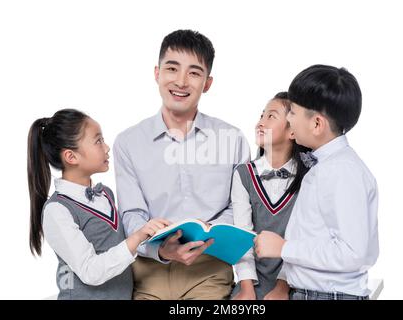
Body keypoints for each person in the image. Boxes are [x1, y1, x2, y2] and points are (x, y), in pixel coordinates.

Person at [113, 29, 251, 300]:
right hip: (148, 271)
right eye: (172, 69)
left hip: (209, 267)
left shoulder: (232, 139)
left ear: (207, 83)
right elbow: (131, 213)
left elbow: (240, 208)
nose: (181, 81)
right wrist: (161, 250)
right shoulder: (128, 142)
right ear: (157, 73)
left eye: (194, 73)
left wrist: (207, 229)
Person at [254, 65, 379, 300]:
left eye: (292, 112)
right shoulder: (322, 167)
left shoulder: (343, 172)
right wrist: (283, 282)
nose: (288, 119)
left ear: (317, 124)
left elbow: (353, 252)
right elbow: (310, 236)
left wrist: (283, 248)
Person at [27, 108, 169, 299]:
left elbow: (119, 247)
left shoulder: (105, 194)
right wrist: (137, 237)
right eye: (98, 141)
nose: (107, 147)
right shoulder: (57, 210)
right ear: (71, 157)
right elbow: (90, 271)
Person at [231, 92, 310, 300]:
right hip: (252, 279)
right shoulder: (243, 175)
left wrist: (282, 287)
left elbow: (302, 238)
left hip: (295, 280)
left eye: (271, 117)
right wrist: (247, 288)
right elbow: (242, 236)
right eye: (261, 116)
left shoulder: (309, 178)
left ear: (293, 130)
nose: (260, 123)